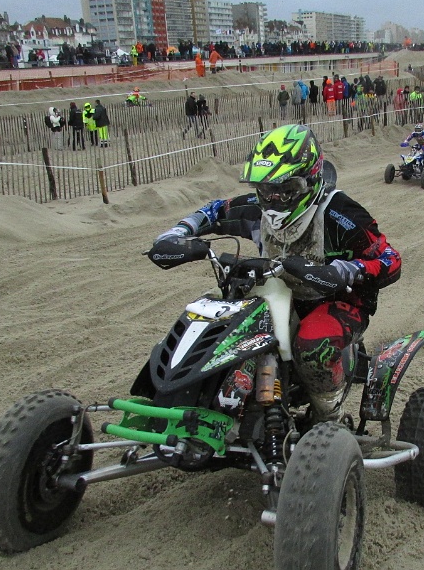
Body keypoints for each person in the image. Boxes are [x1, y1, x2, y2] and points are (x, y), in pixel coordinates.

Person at [152, 124, 401, 420]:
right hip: (274, 293)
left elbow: (390, 258)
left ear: (310, 180)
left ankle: (329, 415)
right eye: (267, 191)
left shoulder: (341, 214)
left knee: (312, 345)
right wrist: (179, 232)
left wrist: (346, 270)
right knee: (213, 321)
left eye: (286, 190)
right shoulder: (257, 207)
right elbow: (215, 211)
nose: (275, 200)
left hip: (334, 300)